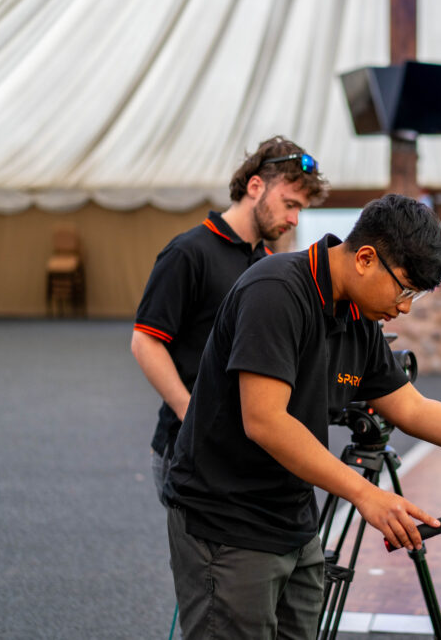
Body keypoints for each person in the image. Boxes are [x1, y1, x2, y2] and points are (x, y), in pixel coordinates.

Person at [163, 194, 441, 639]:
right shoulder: (276, 291)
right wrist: (365, 494)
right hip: (226, 523)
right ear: (365, 258)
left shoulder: (358, 315)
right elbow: (265, 420)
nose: (406, 307)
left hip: (292, 518)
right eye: (405, 288)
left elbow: (410, 406)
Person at [131, 136, 327, 505]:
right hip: (187, 448)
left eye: (300, 209)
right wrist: (190, 411)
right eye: (289, 204)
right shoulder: (188, 252)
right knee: (202, 563)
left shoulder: (268, 262)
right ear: (255, 186)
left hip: (240, 451)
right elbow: (145, 341)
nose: (294, 219)